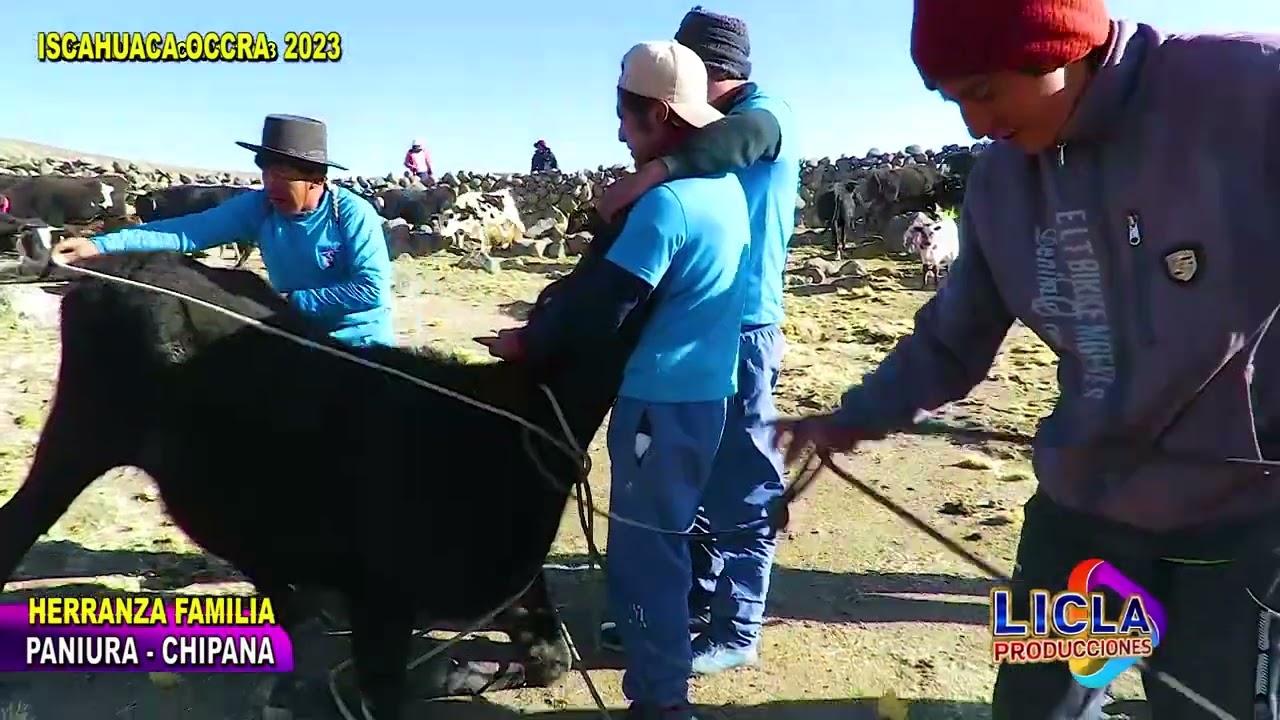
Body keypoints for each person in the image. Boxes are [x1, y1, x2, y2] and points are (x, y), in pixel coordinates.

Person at [773, 1, 1280, 718]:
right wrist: (852, 418)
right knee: (1033, 708)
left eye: (984, 91)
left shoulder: (1248, 88)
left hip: (1238, 527)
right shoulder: (1001, 181)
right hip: (1076, 522)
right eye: (954, 101)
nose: (974, 125)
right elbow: (955, 336)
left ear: (1062, 47)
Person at [483, 39, 750, 720]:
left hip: (657, 406)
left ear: (658, 116)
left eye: (625, 117)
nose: (620, 131)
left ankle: (662, 704)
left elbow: (605, 309)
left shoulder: (667, 208)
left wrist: (524, 341)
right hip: (706, 398)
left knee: (643, 560)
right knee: (670, 539)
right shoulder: (725, 194)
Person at [593, 6, 798, 676]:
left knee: (741, 481)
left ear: (710, 74)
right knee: (695, 477)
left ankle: (737, 630)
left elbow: (744, 140)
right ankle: (684, 603)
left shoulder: (767, 116)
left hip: (743, 325)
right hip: (706, 325)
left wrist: (651, 173)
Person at [53, 114, 395, 348]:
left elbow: (370, 291)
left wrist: (288, 301)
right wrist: (100, 246)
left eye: (284, 176)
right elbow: (186, 231)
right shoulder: (261, 207)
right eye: (266, 173)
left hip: (358, 346)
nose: (270, 185)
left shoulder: (351, 215)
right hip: (296, 336)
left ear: (317, 180)